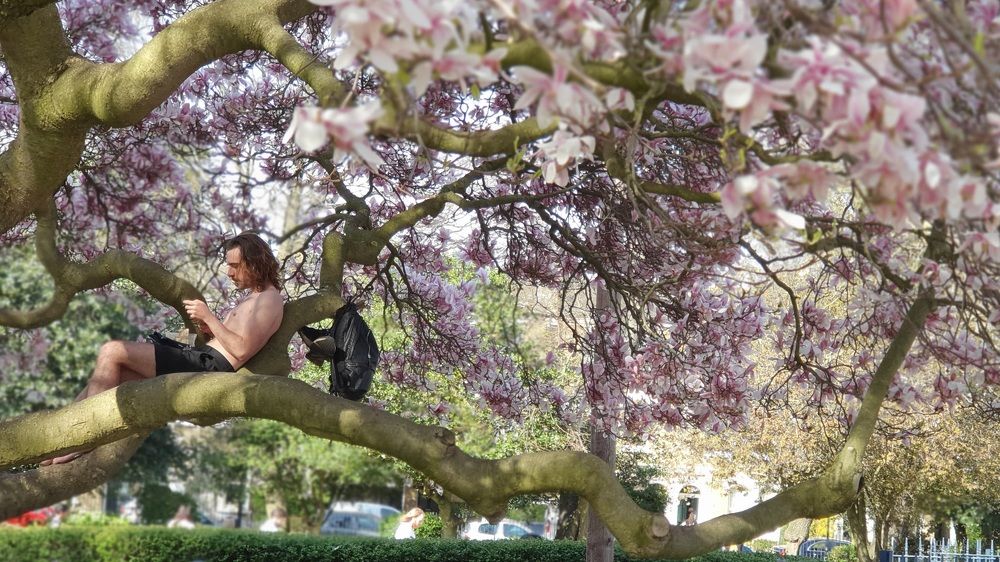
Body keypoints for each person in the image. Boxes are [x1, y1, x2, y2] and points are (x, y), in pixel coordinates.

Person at [43, 232, 284, 465]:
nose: (229, 273)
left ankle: (88, 437)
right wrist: (207, 330)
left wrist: (209, 317)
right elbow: (232, 339)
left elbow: (241, 349)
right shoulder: (255, 297)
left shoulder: (270, 300)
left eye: (235, 266)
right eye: (228, 266)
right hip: (202, 357)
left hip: (209, 367)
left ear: (255, 263)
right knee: (110, 375)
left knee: (112, 350)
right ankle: (61, 440)